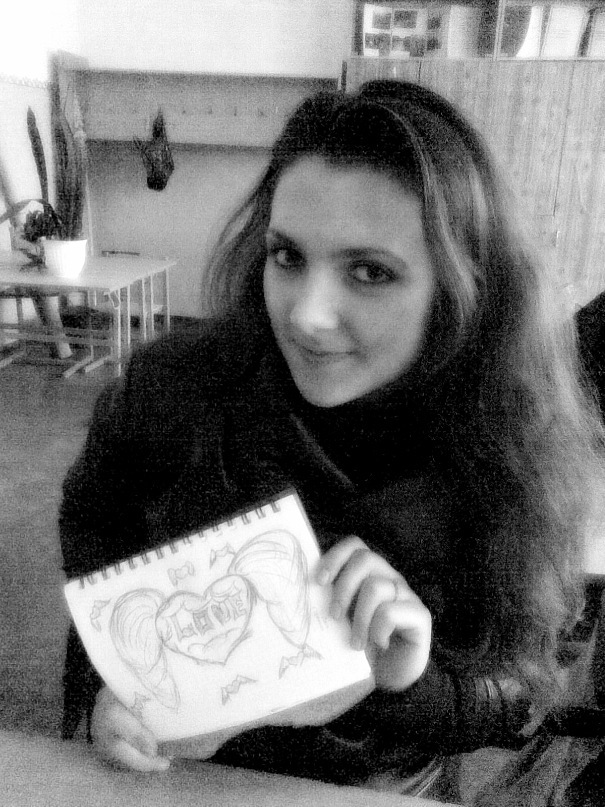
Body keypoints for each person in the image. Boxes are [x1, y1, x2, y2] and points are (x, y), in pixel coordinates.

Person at [59, 79, 605, 799]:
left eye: (370, 272)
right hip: (172, 778)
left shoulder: (520, 443)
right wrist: (109, 688)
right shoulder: (171, 391)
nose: (307, 315)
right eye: (287, 256)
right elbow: (96, 531)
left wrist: (400, 681)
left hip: (375, 787)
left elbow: (525, 690)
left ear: (461, 284)